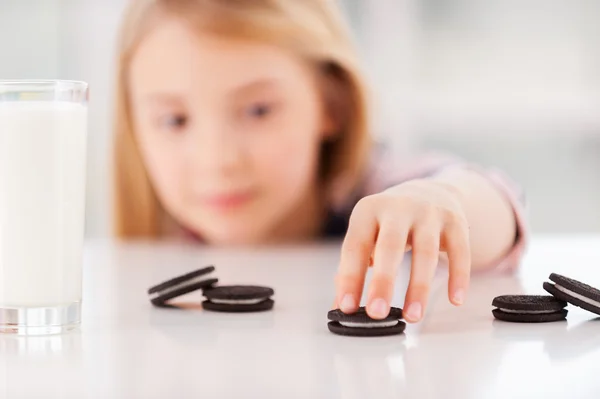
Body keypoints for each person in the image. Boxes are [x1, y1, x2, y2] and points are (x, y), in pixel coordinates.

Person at [113, 0, 527, 324]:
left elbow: (495, 213)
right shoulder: (145, 259)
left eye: (258, 111)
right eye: (174, 120)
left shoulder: (375, 189)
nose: (217, 160)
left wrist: (444, 199)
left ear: (331, 106)